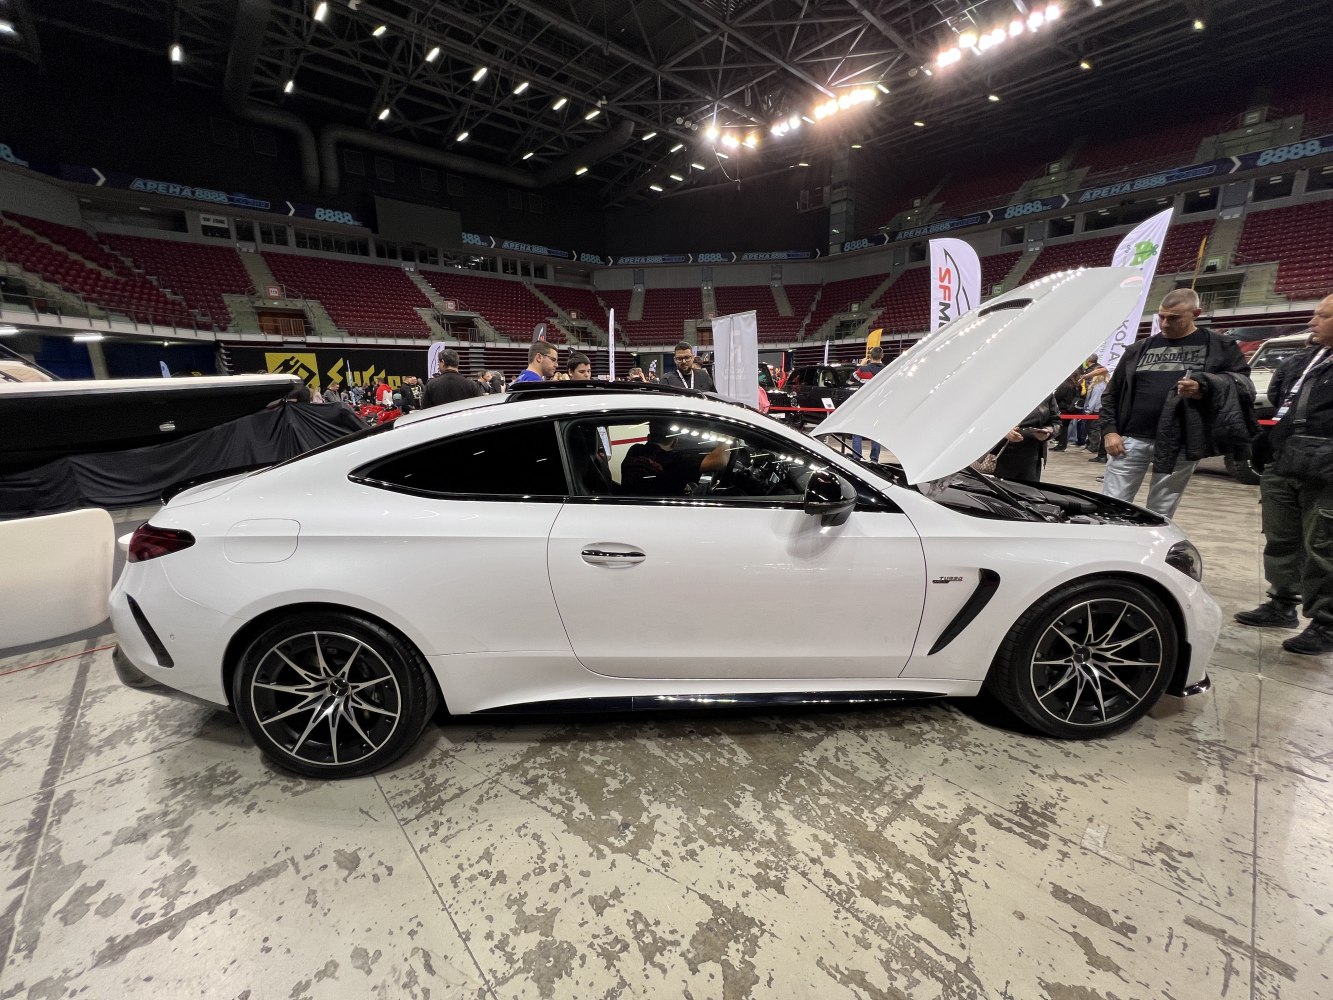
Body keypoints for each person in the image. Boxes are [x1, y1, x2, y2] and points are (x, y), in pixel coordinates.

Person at [1098, 288, 1254, 518]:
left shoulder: (1220, 347)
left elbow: (1243, 385)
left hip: (1181, 441)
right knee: (1111, 506)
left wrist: (1204, 386)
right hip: (1130, 440)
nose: (1164, 324)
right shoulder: (1138, 349)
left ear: (1196, 314)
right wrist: (1110, 431)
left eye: (1173, 318)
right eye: (1161, 317)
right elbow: (1112, 393)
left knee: (1160, 511)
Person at [1234, 296, 1333, 654]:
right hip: (1284, 459)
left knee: (1323, 544)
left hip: (1326, 468)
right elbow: (1279, 401)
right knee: (1281, 536)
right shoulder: (1302, 360)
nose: (1311, 321)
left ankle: (1326, 624)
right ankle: (1282, 603)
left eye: (1323, 316)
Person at [620, 419, 729, 496]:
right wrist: (726, 438)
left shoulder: (634, 450)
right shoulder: (677, 462)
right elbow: (720, 461)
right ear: (674, 442)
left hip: (628, 508)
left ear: (648, 437)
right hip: (663, 514)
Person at [991, 393, 1060, 481]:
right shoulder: (1002, 391)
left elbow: (1057, 423)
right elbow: (985, 420)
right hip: (1000, 455)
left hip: (1031, 457)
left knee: (1028, 488)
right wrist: (1003, 432)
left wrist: (1048, 432)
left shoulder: (1045, 394)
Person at [850, 347, 885, 462]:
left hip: (863, 406)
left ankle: (857, 458)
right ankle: (874, 460)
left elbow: (850, 381)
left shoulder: (863, 370)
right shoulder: (887, 370)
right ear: (882, 356)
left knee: (857, 432)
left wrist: (861, 365)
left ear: (870, 357)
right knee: (875, 434)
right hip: (879, 406)